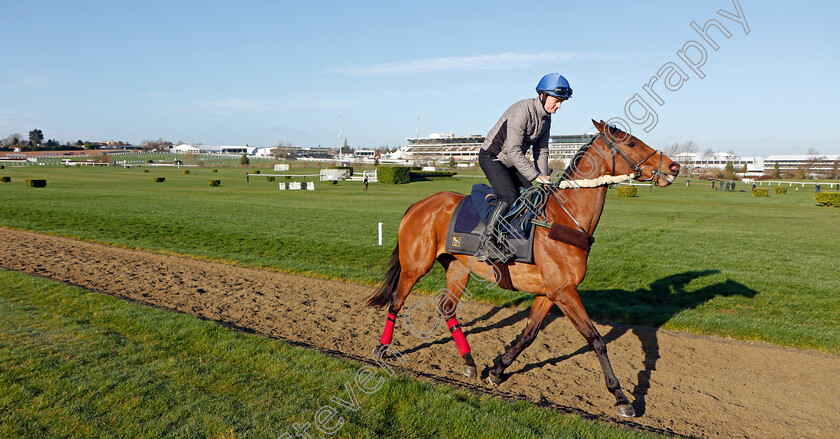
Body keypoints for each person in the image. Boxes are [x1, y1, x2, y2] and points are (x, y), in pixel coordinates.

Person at [476, 73, 569, 262]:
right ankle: (487, 243)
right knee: (509, 195)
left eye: (562, 102)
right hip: (492, 157)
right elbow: (513, 149)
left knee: (536, 192)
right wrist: (535, 175)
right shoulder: (522, 111)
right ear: (542, 95)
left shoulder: (546, 118)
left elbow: (541, 150)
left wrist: (543, 177)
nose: (559, 105)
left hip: (511, 161)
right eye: (557, 100)